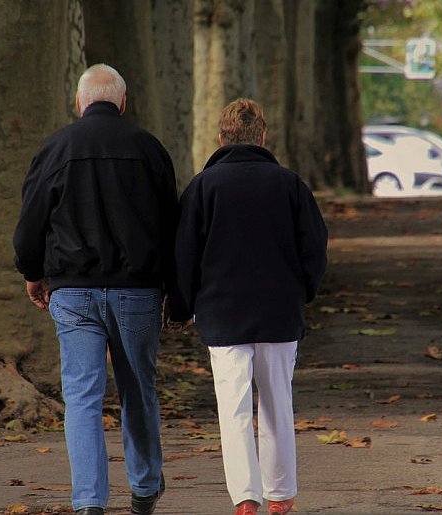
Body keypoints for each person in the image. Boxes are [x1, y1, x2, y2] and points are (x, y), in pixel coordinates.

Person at [13, 64, 188, 515]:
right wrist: (176, 291)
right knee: (139, 390)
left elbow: (30, 222)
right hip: (138, 291)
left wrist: (33, 271)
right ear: (123, 102)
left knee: (82, 397)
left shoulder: (55, 148)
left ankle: (89, 501)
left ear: (80, 102)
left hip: (72, 291)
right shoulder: (149, 150)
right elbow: (173, 226)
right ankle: (145, 487)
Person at [174, 98, 328, 515]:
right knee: (278, 403)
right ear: (263, 137)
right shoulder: (290, 184)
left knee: (234, 409)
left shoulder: (202, 187)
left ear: (221, 138)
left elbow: (185, 255)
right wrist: (303, 292)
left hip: (222, 315)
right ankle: (280, 495)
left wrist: (182, 307)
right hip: (279, 312)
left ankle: (245, 496)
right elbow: (314, 248)